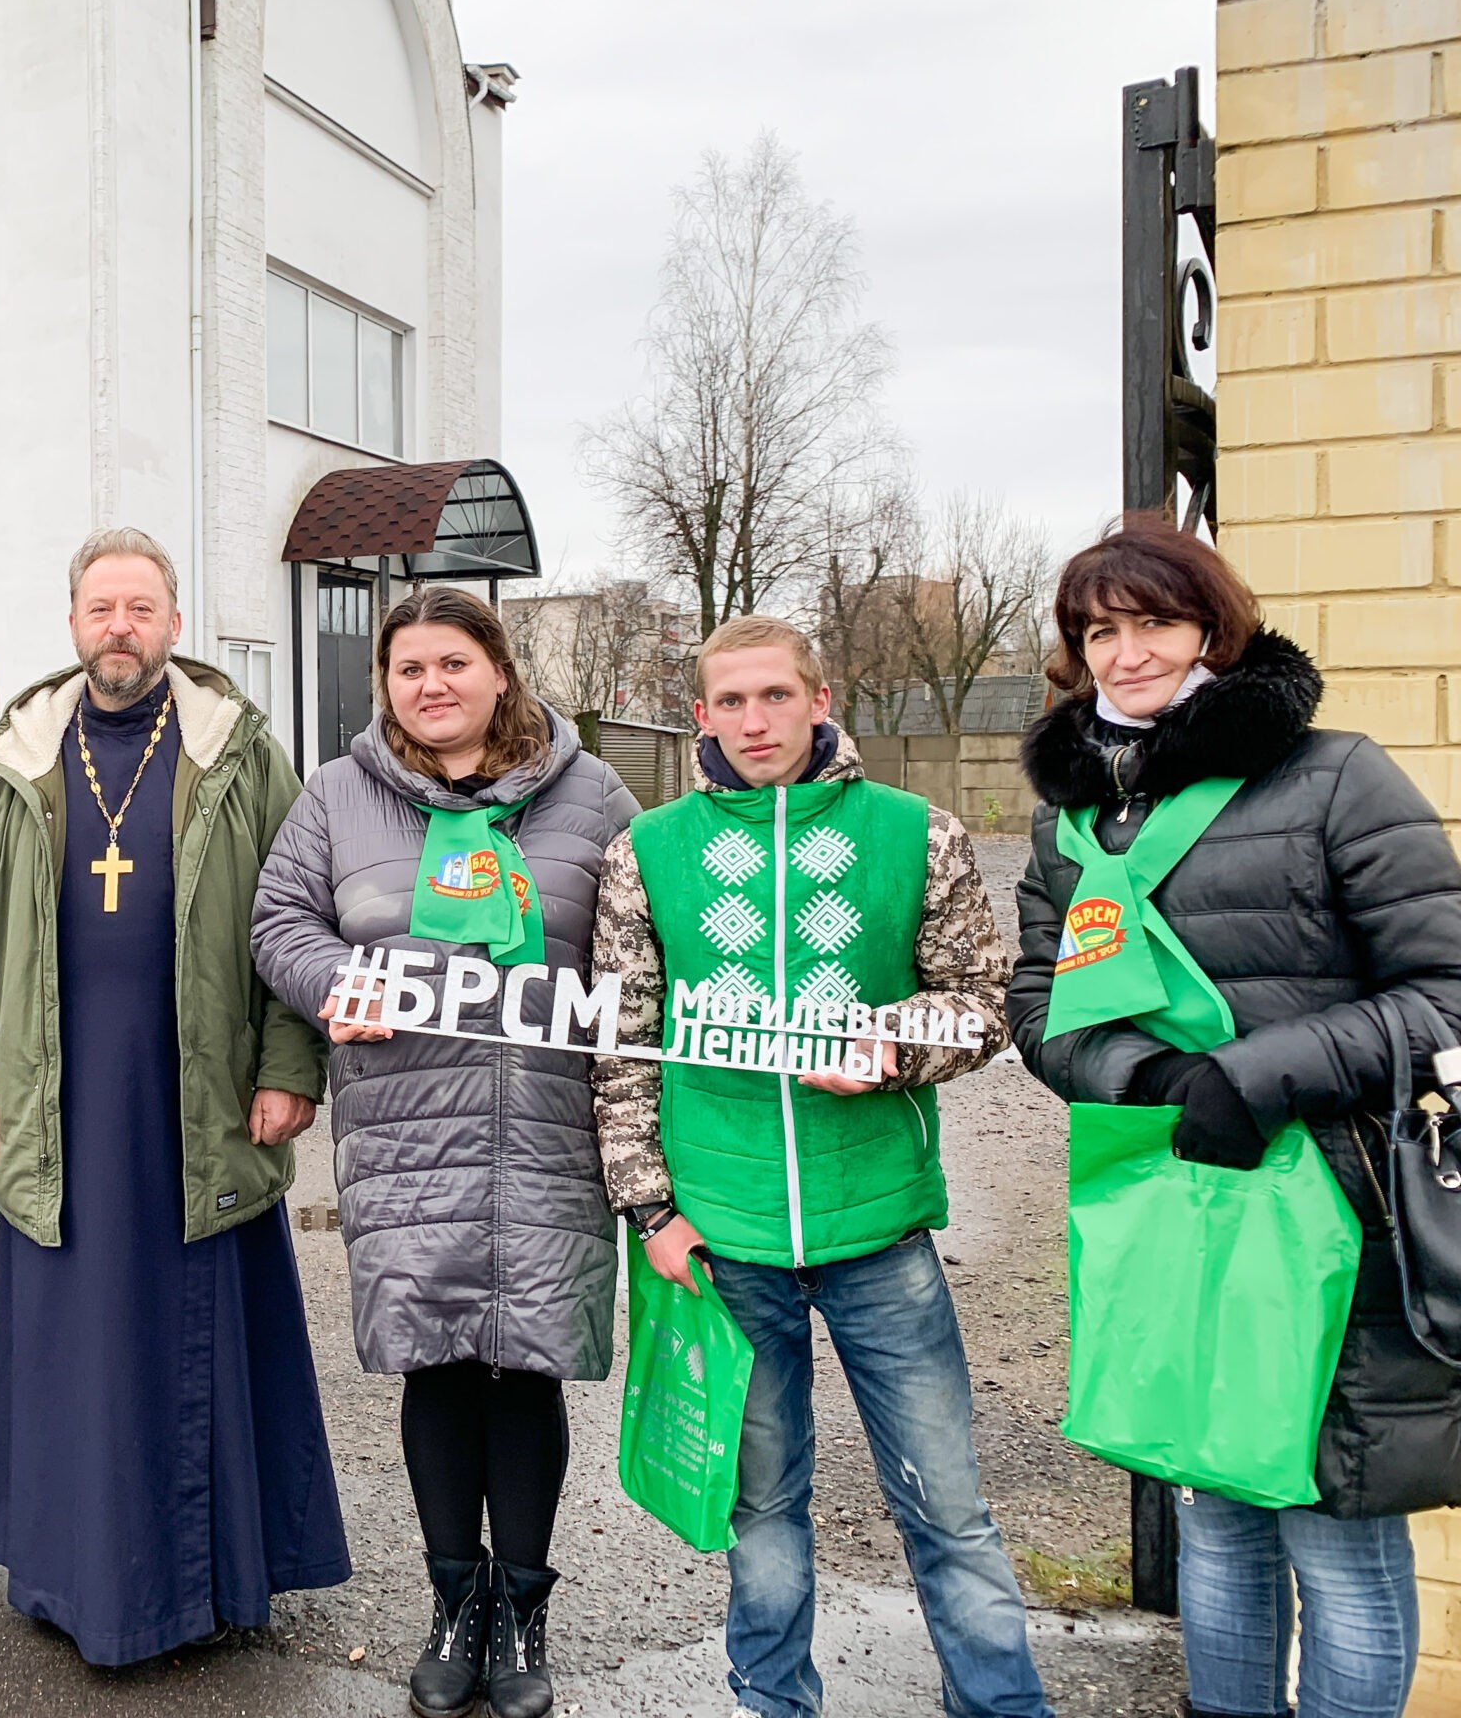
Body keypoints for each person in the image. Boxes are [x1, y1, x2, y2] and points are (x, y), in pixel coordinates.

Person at [1009, 515, 1461, 1718]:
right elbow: (1036, 1002)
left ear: (1212, 627)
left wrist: (1263, 1073)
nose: (1126, 653)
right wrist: (1149, 1081)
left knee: (1336, 1543)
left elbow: (1446, 991)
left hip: (1336, 1209)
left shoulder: (1333, 775)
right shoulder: (1074, 826)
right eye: (1097, 631)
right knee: (1214, 1521)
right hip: (1172, 1200)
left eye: (1151, 622)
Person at [593, 615, 1048, 1718]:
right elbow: (621, 1041)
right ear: (699, 717)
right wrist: (647, 1205)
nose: (754, 721)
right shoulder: (644, 850)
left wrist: (894, 1046)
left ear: (817, 699)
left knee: (946, 1506)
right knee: (761, 1507)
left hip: (878, 1228)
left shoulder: (918, 834)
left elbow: (986, 1005)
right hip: (720, 1232)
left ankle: (1000, 1705)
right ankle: (772, 1701)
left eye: (774, 697)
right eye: (730, 702)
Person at [0, 527, 350, 1663]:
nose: (122, 628)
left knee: (191, 1329)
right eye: (102, 608)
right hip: (56, 1098)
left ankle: (205, 1582)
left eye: (143, 608)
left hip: (195, 1099)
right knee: (77, 1344)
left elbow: (292, 914)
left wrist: (286, 1066)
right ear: (72, 623)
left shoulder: (237, 750)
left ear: (172, 623)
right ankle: (75, 1578)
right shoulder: (12, 757)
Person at [251, 586, 636, 1718]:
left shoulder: (590, 797)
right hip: (408, 1120)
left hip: (545, 1123)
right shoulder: (336, 796)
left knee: (524, 1365)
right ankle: (451, 1601)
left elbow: (637, 944)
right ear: (387, 685)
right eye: (408, 668)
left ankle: (521, 1613)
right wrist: (337, 985)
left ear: (499, 672)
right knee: (436, 1361)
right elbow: (282, 924)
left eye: (453, 664)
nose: (431, 686)